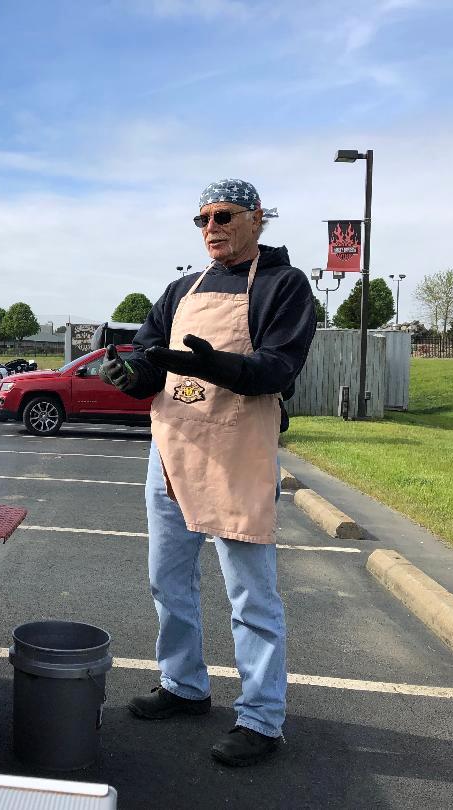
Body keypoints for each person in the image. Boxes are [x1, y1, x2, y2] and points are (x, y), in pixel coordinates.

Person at [100, 178, 316, 767]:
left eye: (223, 215)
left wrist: (218, 366)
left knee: (251, 594)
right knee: (167, 579)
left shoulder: (284, 285)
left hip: (238, 451)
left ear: (256, 218)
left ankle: (262, 717)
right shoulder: (180, 289)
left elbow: (279, 367)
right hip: (171, 451)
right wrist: (130, 377)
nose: (210, 227)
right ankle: (184, 685)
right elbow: (151, 361)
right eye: (202, 219)